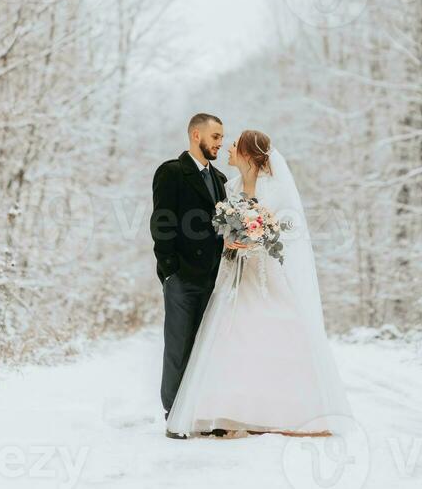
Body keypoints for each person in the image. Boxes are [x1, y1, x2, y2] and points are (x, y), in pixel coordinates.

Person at [164, 129, 353, 438]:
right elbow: (222, 229)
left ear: (248, 154)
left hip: (265, 273)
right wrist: (230, 239)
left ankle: (287, 412)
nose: (228, 148)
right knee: (230, 334)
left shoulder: (274, 188)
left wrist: (259, 236)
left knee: (271, 331)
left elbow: (286, 228)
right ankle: (227, 413)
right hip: (234, 272)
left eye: (234, 145)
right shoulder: (230, 185)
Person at [150, 113, 227, 426]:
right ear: (197, 135)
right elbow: (161, 223)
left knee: (205, 344)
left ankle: (199, 409)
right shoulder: (172, 172)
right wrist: (170, 270)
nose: (220, 143)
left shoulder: (220, 179)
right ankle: (173, 414)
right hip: (182, 276)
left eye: (221, 137)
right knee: (179, 344)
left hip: (213, 276)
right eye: (216, 137)